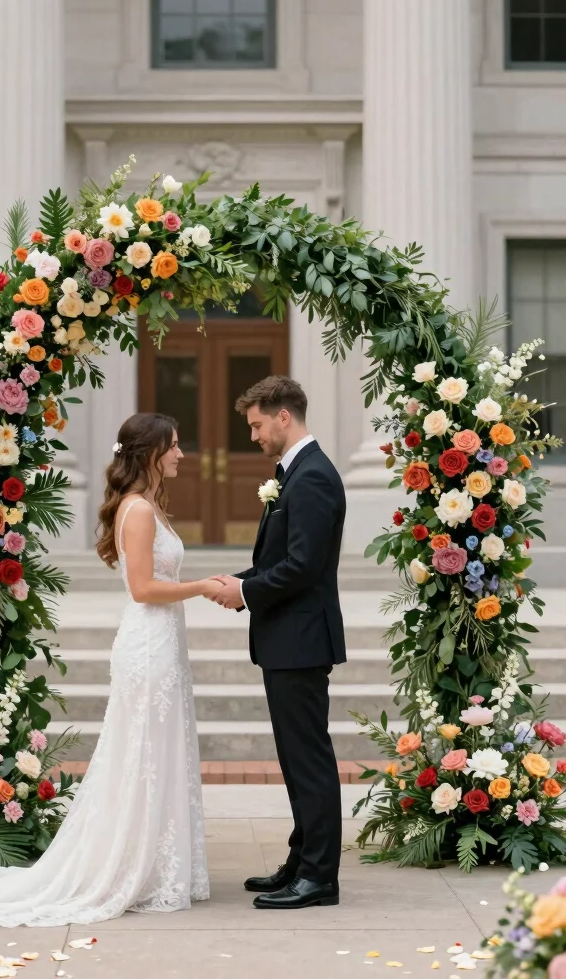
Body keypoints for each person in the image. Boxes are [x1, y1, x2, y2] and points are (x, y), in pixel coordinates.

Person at [0, 412, 221, 927]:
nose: (180, 454)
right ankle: (134, 865)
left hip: (163, 641)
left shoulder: (150, 505)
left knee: (158, 747)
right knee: (143, 751)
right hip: (149, 641)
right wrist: (201, 586)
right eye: (173, 446)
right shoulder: (140, 511)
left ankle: (157, 862)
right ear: (151, 453)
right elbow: (144, 589)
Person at [209, 376, 346, 910]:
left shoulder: (312, 477)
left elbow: (303, 567)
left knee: (308, 759)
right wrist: (240, 580)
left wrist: (245, 592)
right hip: (288, 637)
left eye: (257, 424)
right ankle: (301, 859)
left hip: (301, 639)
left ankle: (319, 878)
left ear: (283, 416)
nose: (254, 435)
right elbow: (280, 561)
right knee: (296, 758)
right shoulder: (293, 473)